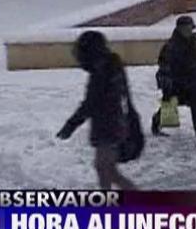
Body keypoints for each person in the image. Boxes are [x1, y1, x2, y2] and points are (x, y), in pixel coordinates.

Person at [56, 31, 139, 189]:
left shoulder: (103, 70)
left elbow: (91, 103)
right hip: (112, 124)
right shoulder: (110, 65)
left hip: (108, 126)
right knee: (107, 170)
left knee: (104, 169)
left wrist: (71, 124)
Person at [152, 16, 196, 153]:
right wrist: (167, 83)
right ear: (180, 29)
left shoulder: (195, 41)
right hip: (177, 83)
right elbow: (163, 65)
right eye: (187, 28)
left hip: (194, 83)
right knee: (170, 105)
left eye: (191, 28)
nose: (190, 31)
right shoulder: (170, 46)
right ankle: (156, 122)